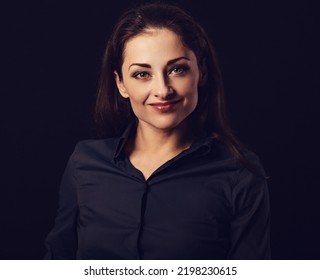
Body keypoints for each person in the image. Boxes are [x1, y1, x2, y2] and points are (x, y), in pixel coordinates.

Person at [44, 2, 271, 260]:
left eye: (177, 69)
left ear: (202, 72)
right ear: (121, 84)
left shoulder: (241, 174)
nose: (163, 90)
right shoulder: (83, 163)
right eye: (142, 74)